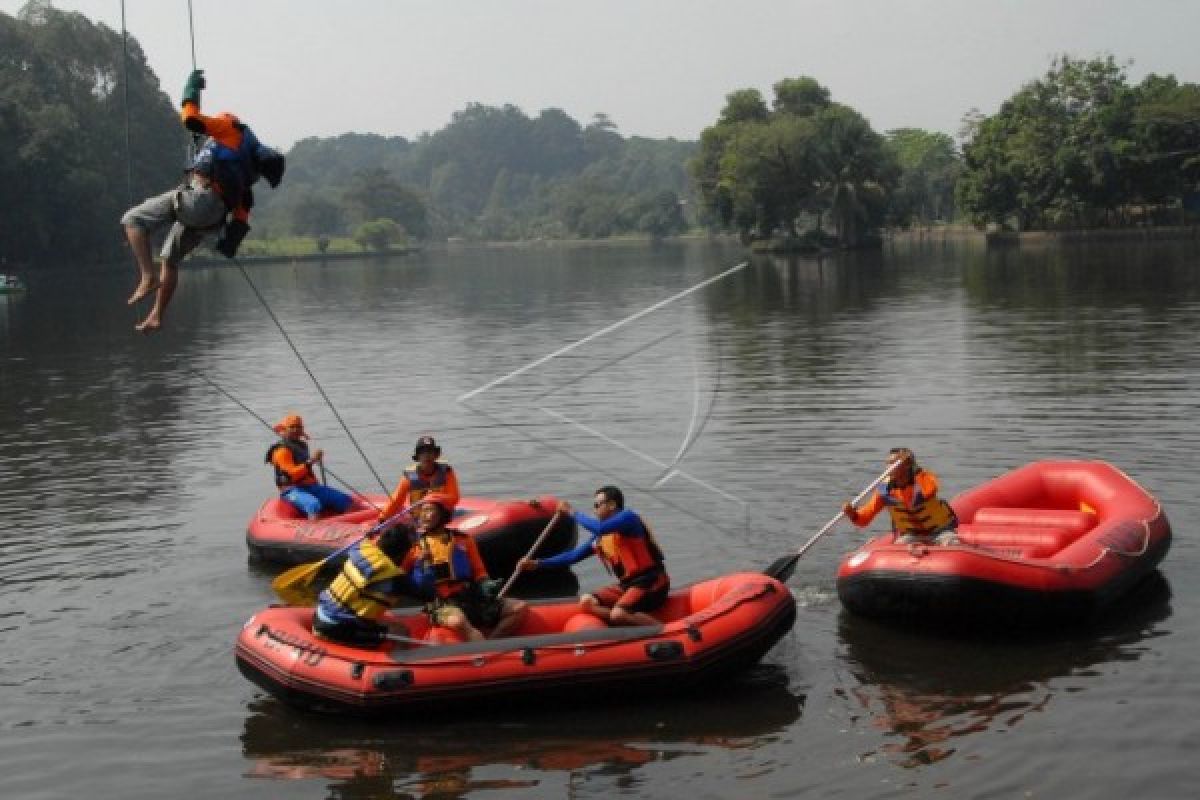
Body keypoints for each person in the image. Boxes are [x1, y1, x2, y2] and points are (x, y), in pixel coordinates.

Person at [121, 68, 284, 332]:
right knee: (170, 260)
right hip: (212, 220)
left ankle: (147, 277)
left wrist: (191, 88)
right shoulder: (247, 177)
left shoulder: (230, 125)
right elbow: (240, 222)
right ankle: (156, 316)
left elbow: (191, 119)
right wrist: (228, 245)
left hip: (200, 199)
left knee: (133, 220)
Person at [519, 485, 669, 627]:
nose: (595, 510)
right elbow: (573, 556)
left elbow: (599, 528)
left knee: (618, 614)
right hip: (628, 586)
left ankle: (663, 631)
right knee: (586, 603)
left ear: (611, 505)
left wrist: (572, 512)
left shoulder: (628, 518)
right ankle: (624, 619)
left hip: (651, 582)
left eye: (597, 505)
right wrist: (538, 563)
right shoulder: (601, 538)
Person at [401, 493, 527, 641]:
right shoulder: (414, 547)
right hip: (440, 602)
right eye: (422, 511)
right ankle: (482, 650)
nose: (424, 515)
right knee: (458, 621)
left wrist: (486, 583)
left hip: (470, 596)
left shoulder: (464, 540)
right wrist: (419, 566)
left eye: (429, 510)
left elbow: (479, 571)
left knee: (519, 607)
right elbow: (402, 576)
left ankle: (492, 642)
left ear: (443, 515)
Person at [312, 526, 415, 647]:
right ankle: (403, 663)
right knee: (401, 632)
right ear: (403, 553)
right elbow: (425, 592)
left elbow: (363, 541)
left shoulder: (360, 551)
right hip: (336, 628)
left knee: (385, 621)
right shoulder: (394, 579)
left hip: (320, 615)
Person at [842, 447, 960, 545]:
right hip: (911, 535)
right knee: (900, 546)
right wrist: (853, 514)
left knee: (952, 543)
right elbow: (865, 518)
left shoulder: (924, 479)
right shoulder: (884, 490)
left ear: (907, 465)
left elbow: (930, 489)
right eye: (888, 464)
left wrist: (913, 465)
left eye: (894, 463)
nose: (890, 467)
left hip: (939, 531)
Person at [266, 413, 353, 520]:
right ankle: (317, 531)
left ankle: (353, 527)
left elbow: (307, 472)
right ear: (285, 429)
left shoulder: (302, 445)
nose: (295, 430)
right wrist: (311, 461)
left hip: (309, 487)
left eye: (298, 427)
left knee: (343, 499)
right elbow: (291, 476)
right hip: (291, 490)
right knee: (313, 505)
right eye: (292, 427)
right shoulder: (281, 450)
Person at [377, 435, 461, 523]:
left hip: (442, 517)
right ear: (418, 457)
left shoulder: (446, 472)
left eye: (430, 451)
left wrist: (433, 497)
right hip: (419, 519)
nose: (427, 455)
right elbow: (397, 501)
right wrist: (383, 518)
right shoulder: (410, 476)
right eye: (423, 452)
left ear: (436, 455)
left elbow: (454, 498)